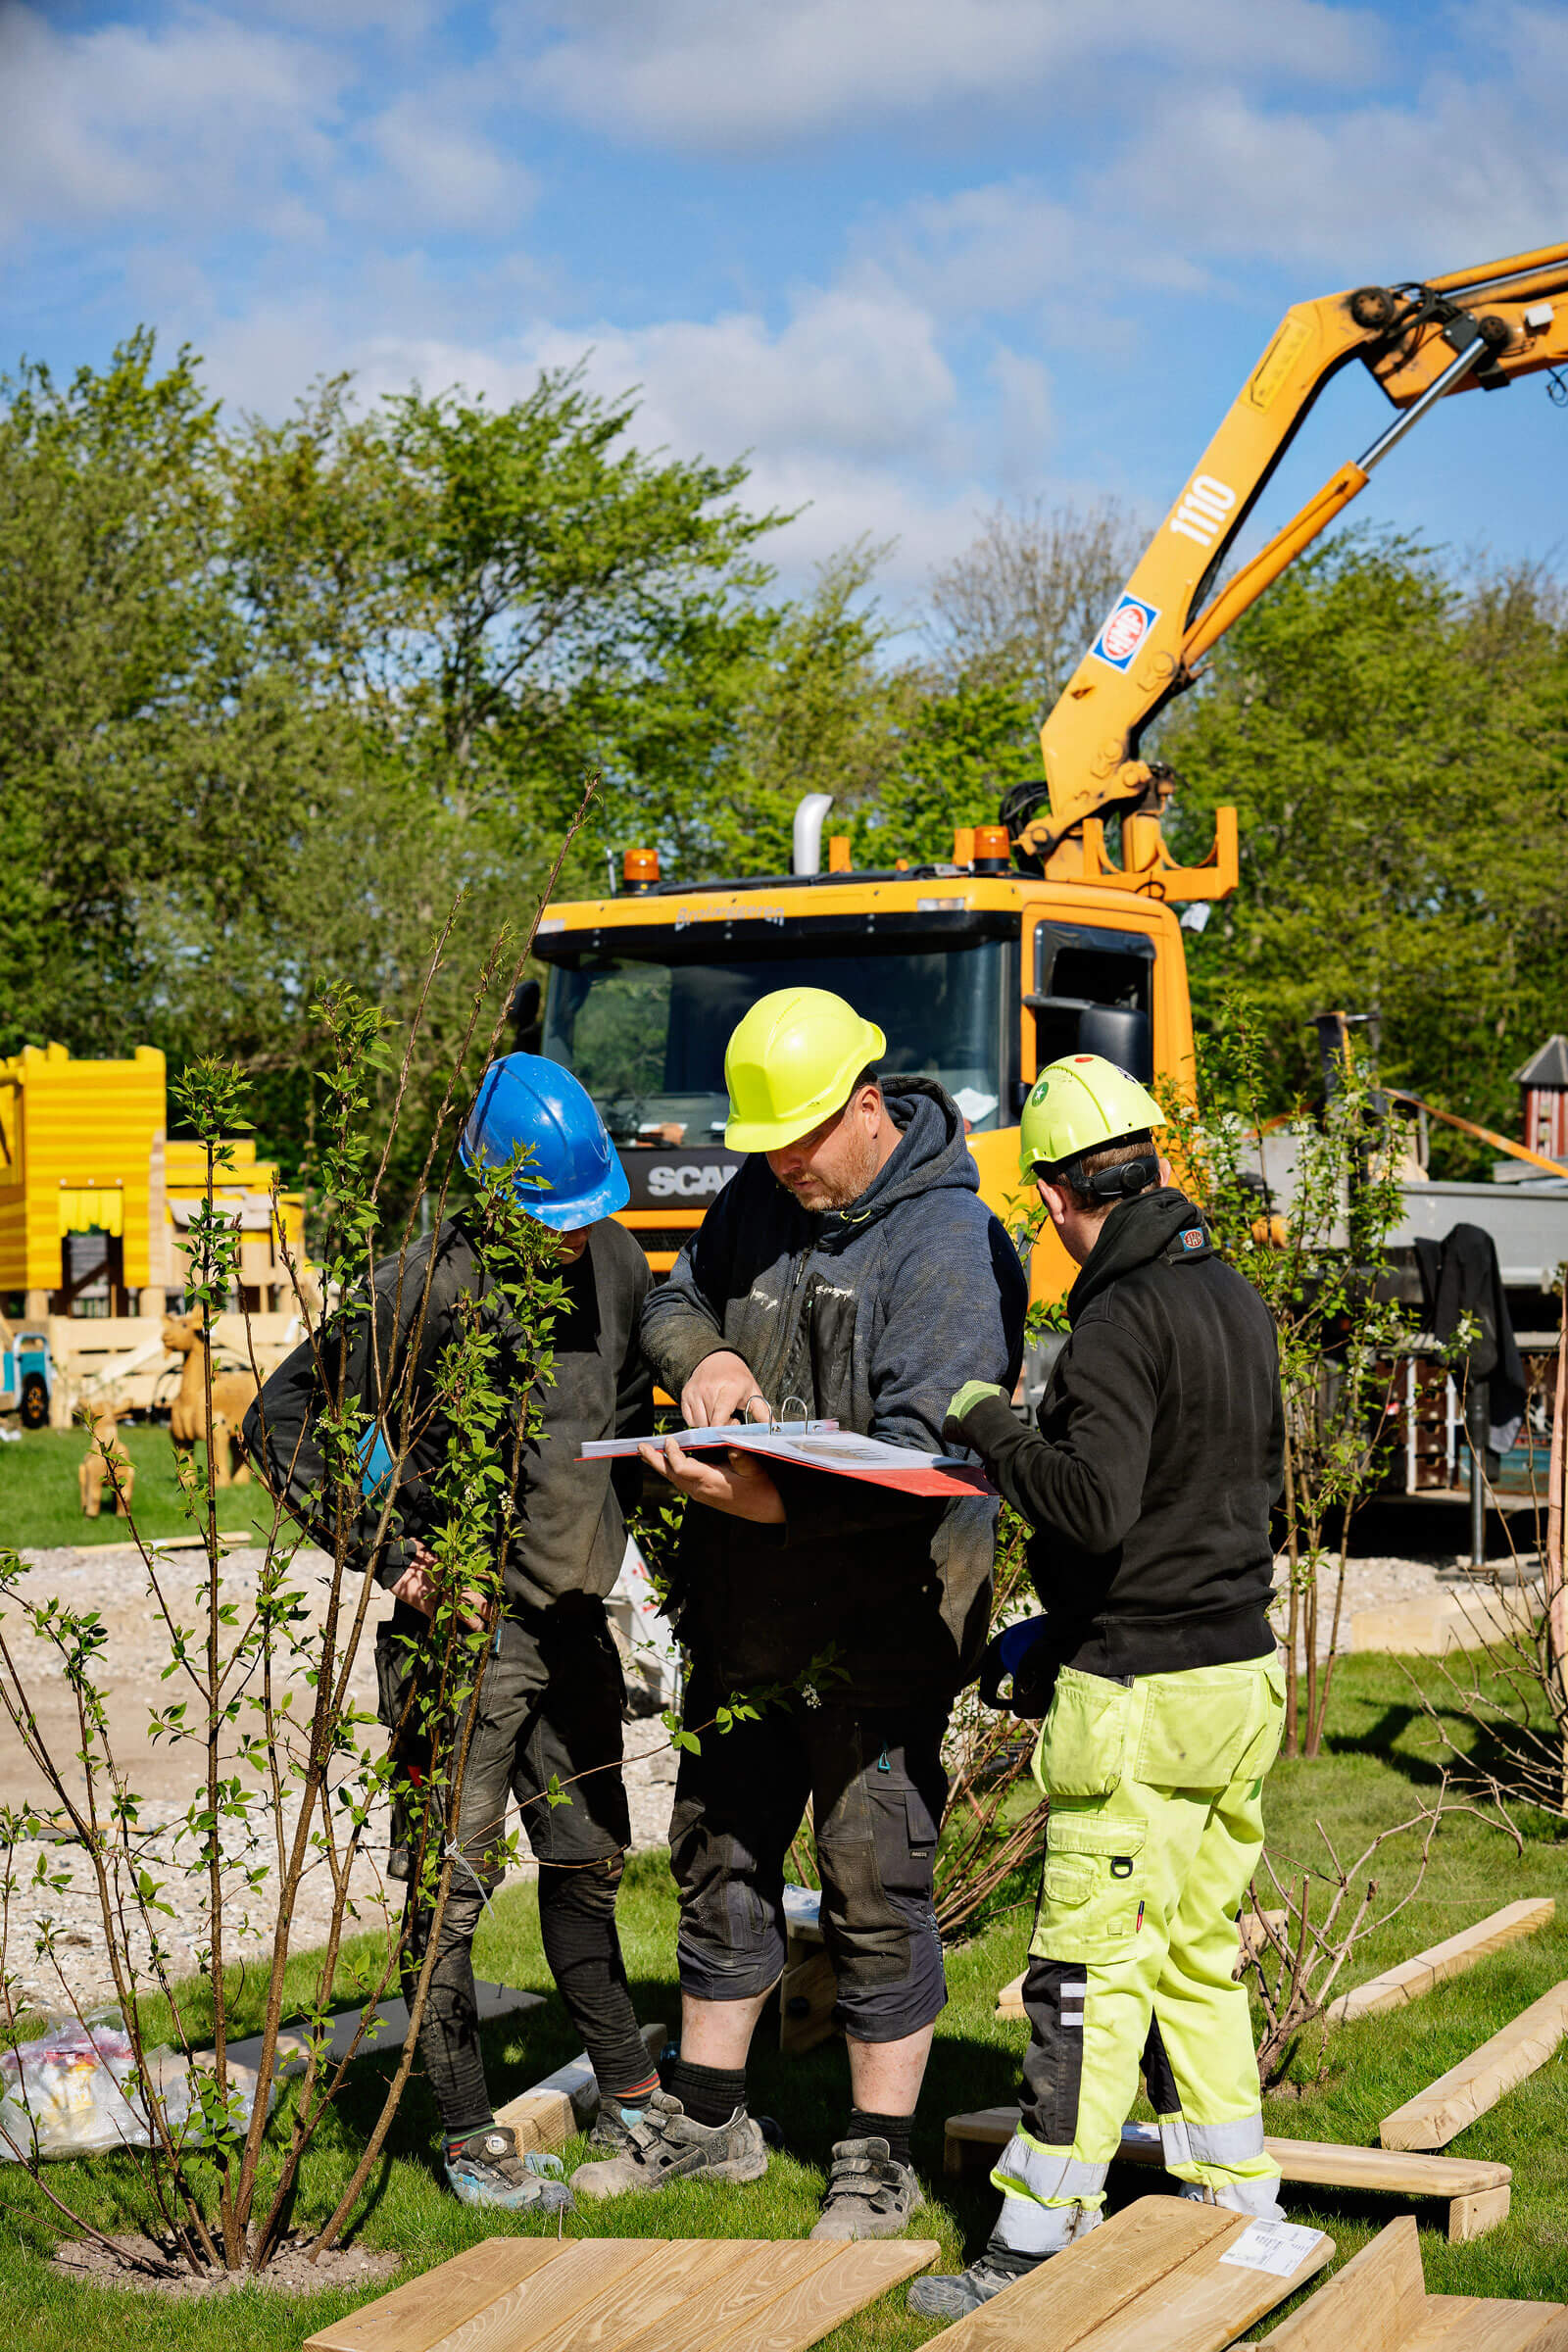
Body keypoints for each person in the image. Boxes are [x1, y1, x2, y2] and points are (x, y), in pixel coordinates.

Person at [570, 987, 1028, 2238]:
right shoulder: (764, 1194)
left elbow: (926, 1460)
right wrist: (700, 1358)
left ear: (866, 1106)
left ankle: (875, 2155)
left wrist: (768, 1507)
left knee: (873, 1876)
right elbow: (677, 1296)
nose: (782, 1171)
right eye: (766, 1151)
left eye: (800, 1147)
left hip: (885, 1622)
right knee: (719, 1850)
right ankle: (709, 2118)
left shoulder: (948, 1247)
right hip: (748, 1620)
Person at [908, 1052, 1287, 2322]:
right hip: (1238, 1676)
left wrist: (988, 1422)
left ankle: (1033, 2237)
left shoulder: (1120, 1321)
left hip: (1140, 1698)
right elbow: (1193, 1505)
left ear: (1067, 1197)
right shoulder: (1234, 1297)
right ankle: (1239, 2206)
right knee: (1192, 1956)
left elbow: (1094, 1501)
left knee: (1085, 1969)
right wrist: (1057, 1631)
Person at [245, 1054, 658, 2214]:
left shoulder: (616, 1263)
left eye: (588, 1219)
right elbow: (277, 1418)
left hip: (574, 1630)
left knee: (586, 1869)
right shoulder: (420, 1289)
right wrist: (393, 1554)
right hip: (462, 1651)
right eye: (552, 1222)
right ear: (494, 1200)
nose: (576, 1241)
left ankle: (634, 2096)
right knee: (449, 1899)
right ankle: (471, 2141)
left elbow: (624, 1418)